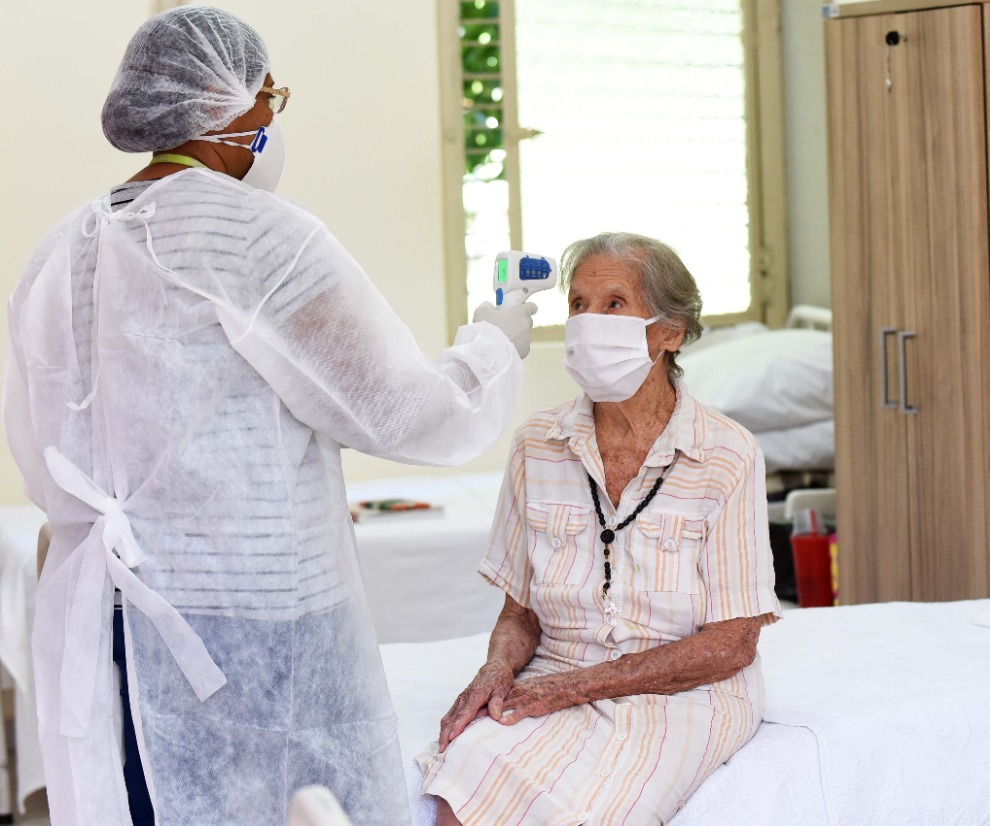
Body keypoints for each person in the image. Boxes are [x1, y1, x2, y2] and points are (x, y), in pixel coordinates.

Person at [3, 7, 537, 825]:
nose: (274, 118)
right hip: (251, 623)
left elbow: (45, 450)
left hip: (111, 619)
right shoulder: (252, 234)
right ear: (224, 110)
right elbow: (400, 410)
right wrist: (493, 349)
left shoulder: (62, 248)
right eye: (268, 96)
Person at [418, 232, 781, 826]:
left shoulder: (727, 453)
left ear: (671, 332)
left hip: (686, 691)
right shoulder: (537, 444)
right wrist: (496, 671)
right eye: (578, 305)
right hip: (555, 670)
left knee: (596, 811)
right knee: (461, 791)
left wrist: (576, 690)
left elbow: (731, 644)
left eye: (613, 304)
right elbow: (520, 615)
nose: (589, 322)